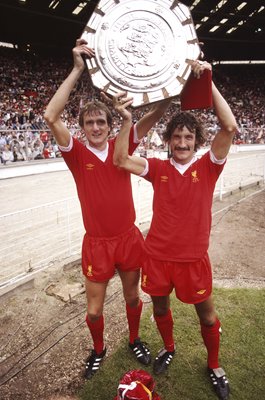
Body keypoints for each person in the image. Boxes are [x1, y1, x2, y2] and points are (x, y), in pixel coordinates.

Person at [44, 38, 171, 380]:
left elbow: (158, 112)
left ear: (109, 124)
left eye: (101, 121)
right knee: (95, 309)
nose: (97, 127)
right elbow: (50, 115)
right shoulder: (76, 153)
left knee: (133, 298)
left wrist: (164, 80)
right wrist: (76, 69)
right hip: (97, 243)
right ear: (83, 128)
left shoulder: (122, 144)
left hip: (128, 238)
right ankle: (98, 349)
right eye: (90, 124)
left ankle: (133, 339)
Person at [113, 60, 238, 400]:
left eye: (188, 136)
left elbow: (229, 126)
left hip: (192, 260)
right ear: (168, 140)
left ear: (197, 140)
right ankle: (169, 347)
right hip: (157, 257)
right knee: (161, 308)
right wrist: (127, 120)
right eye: (177, 137)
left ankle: (214, 365)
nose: (182, 142)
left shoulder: (208, 166)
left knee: (208, 317)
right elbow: (121, 159)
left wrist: (207, 80)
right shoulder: (157, 167)